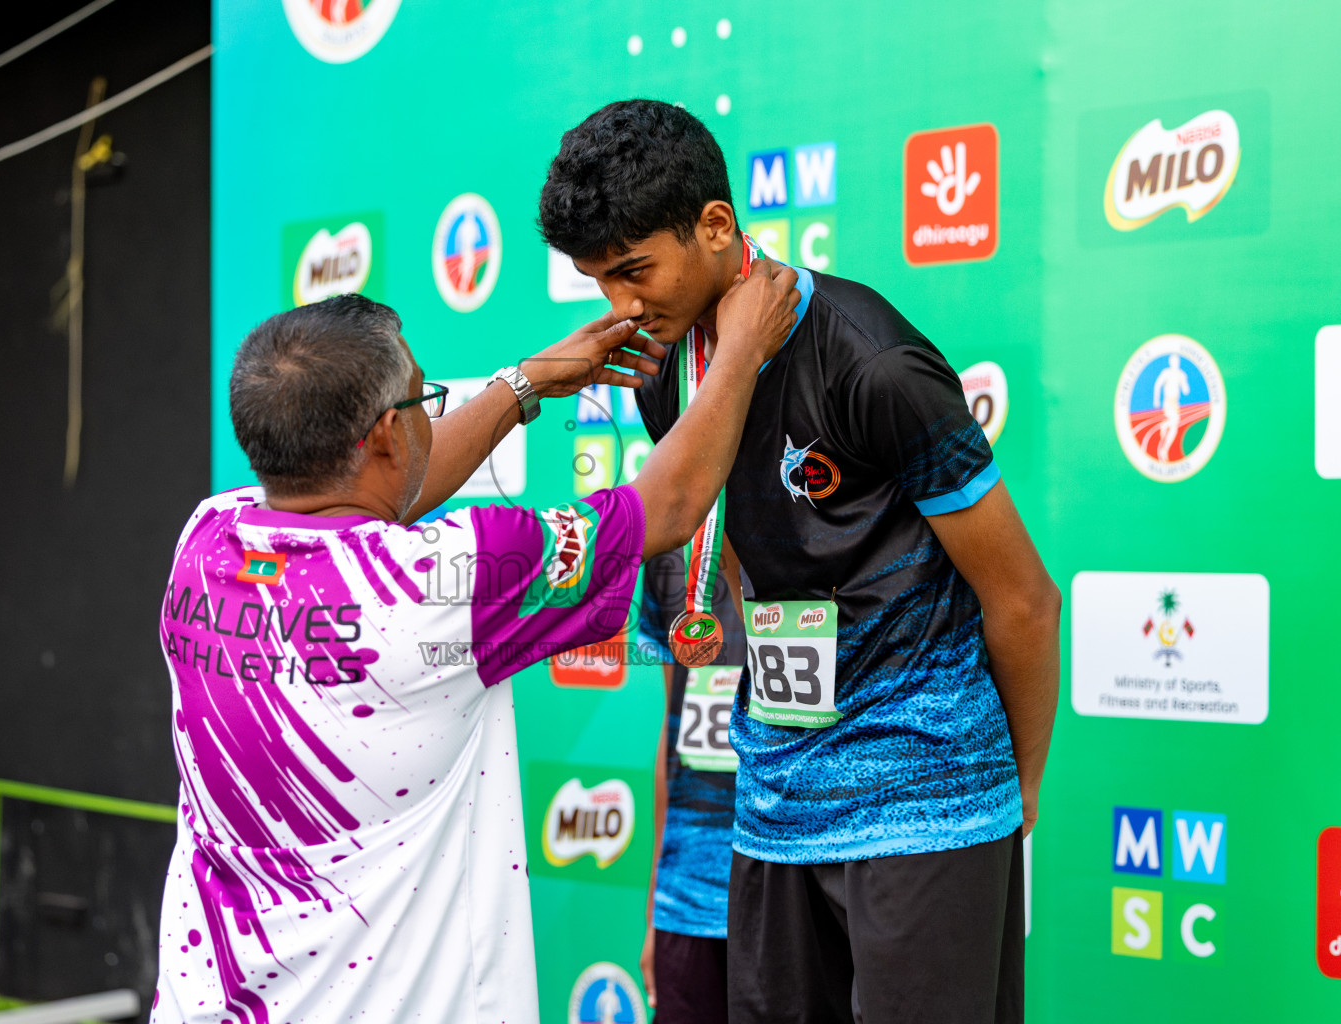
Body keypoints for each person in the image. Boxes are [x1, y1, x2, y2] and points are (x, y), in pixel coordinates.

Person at [151, 277, 799, 1024]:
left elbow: (373, 495)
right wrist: (744, 349)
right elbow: (674, 503)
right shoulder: (452, 581)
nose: (435, 417)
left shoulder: (206, 539)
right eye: (428, 403)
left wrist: (523, 387)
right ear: (388, 434)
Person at [540, 99, 1061, 1023]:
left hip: (926, 802)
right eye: (597, 281)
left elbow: (1023, 599)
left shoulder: (872, 359)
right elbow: (739, 561)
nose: (620, 307)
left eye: (633, 272)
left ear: (715, 226)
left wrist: (1009, 793)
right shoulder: (664, 372)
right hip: (775, 804)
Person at [635, 548, 744, 1024]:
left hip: (791, 896)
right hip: (686, 900)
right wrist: (656, 902)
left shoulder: (823, 534)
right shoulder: (671, 557)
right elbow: (673, 733)